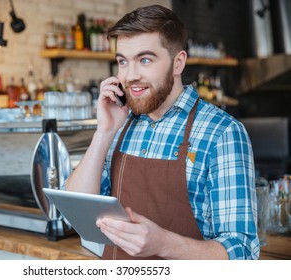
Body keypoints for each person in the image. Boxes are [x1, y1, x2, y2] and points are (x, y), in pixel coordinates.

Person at [65, 5, 259, 260]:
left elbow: (243, 253)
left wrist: (163, 244)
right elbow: (77, 211)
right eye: (123, 61)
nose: (130, 75)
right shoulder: (120, 124)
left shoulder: (222, 132)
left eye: (145, 60)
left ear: (178, 63)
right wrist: (104, 131)